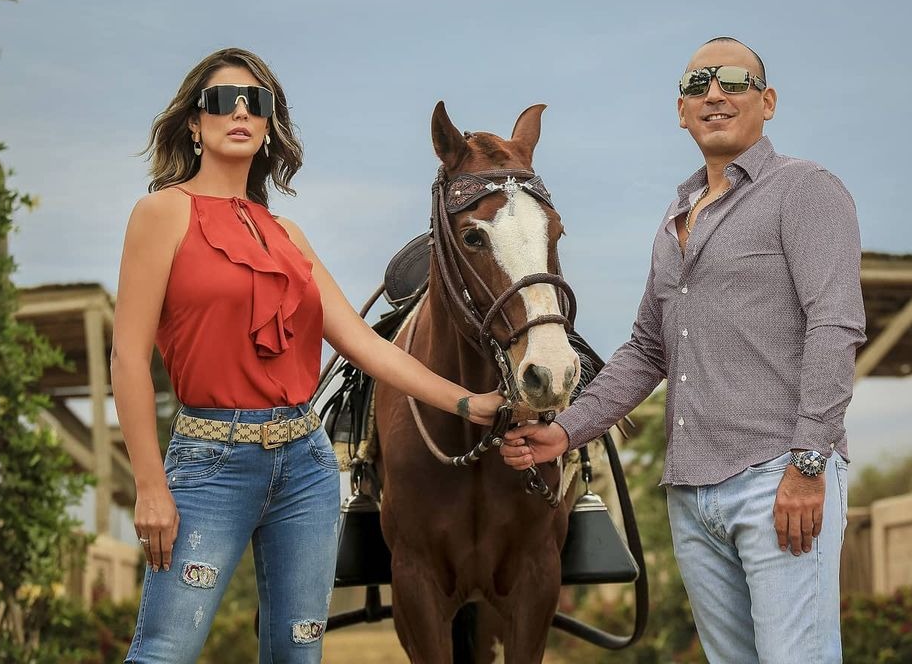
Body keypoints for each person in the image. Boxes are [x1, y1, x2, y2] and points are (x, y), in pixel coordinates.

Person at [111, 47, 503, 664]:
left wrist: (467, 402)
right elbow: (128, 360)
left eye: (257, 102)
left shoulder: (287, 235)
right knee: (165, 650)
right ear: (194, 122)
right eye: (223, 100)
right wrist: (149, 486)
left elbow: (362, 342)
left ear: (270, 125)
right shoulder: (161, 214)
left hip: (305, 465)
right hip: (210, 463)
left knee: (298, 655)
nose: (241, 112)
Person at [501, 37, 866, 663]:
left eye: (733, 81)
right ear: (681, 111)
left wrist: (809, 465)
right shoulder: (675, 218)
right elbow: (648, 350)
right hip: (692, 494)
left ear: (767, 102)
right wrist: (564, 431)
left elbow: (835, 326)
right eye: (698, 84)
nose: (714, 94)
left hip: (776, 476)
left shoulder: (804, 189)